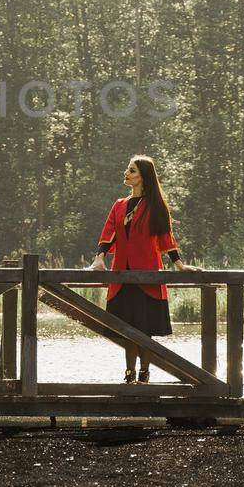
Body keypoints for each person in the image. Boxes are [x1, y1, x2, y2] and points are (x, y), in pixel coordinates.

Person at [87, 155, 195, 383]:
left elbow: (167, 238)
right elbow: (108, 234)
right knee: (127, 329)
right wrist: (99, 259)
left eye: (132, 170)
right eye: (127, 169)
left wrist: (179, 264)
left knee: (145, 330)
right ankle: (129, 374)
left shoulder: (155, 206)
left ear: (143, 176)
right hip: (122, 276)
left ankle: (145, 373)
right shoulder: (119, 205)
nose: (126, 173)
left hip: (147, 275)